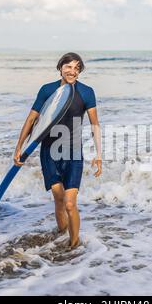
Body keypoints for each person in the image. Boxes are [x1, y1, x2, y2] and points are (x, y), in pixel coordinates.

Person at [13, 52, 102, 249]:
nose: (72, 71)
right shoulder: (47, 90)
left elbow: (95, 124)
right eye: (68, 67)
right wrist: (20, 147)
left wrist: (98, 154)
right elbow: (32, 120)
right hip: (49, 152)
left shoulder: (87, 92)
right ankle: (61, 235)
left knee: (70, 203)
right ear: (60, 67)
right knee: (59, 199)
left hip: (74, 153)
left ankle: (73, 245)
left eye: (77, 68)